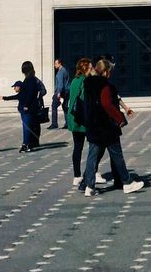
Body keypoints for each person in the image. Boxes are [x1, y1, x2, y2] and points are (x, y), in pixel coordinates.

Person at [81, 57, 143, 195]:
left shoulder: (88, 84)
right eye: (109, 72)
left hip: (93, 125)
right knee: (117, 154)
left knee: (92, 156)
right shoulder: (104, 85)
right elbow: (106, 104)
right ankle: (127, 182)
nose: (110, 75)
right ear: (105, 72)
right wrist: (120, 118)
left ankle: (89, 187)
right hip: (106, 126)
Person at [3, 61, 48, 153]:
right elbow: (22, 95)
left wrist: (26, 105)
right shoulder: (29, 79)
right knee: (28, 126)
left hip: (28, 108)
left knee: (27, 126)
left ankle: (26, 144)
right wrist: (6, 98)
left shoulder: (30, 80)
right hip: (26, 107)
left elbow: (30, 94)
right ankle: (28, 143)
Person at [66, 57, 92, 187]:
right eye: (90, 67)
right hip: (82, 118)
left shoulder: (74, 81)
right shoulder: (84, 81)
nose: (92, 70)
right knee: (95, 145)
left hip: (73, 117)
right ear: (85, 69)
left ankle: (77, 175)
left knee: (77, 147)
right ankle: (93, 173)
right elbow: (84, 99)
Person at [50, 58, 70, 129]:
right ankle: (67, 123)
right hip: (66, 91)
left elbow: (60, 84)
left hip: (61, 92)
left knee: (54, 106)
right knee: (65, 107)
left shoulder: (60, 72)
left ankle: (54, 124)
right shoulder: (65, 70)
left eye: (56, 64)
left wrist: (58, 93)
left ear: (60, 63)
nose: (54, 65)